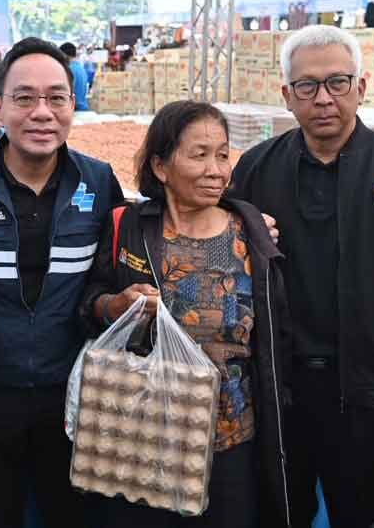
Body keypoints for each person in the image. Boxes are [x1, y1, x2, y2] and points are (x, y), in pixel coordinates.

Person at [228, 25, 374, 528]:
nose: (324, 98)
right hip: (279, 399)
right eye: (307, 85)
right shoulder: (255, 171)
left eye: (338, 82)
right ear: (286, 95)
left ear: (361, 87)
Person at [0, 37, 124, 528]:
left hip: (73, 397)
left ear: (73, 105)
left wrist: (239, 217)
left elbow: (118, 266)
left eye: (56, 98)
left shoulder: (98, 183)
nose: (42, 113)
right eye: (25, 98)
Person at [81, 101, 291, 528]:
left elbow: (275, 331)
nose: (216, 170)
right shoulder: (131, 227)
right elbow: (89, 303)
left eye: (223, 155)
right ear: (161, 166)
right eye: (199, 155)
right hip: (143, 439)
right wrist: (115, 306)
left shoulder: (251, 232)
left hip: (231, 441)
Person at [60, 43, 90, 111]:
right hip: (83, 107)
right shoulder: (81, 68)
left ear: (63, 55)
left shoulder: (68, 70)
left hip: (75, 109)